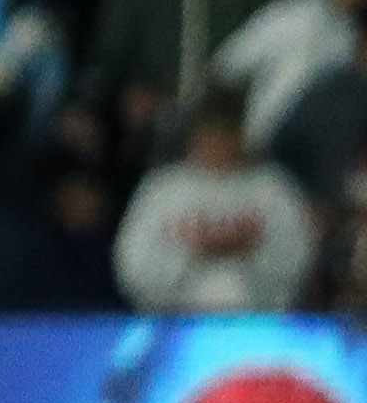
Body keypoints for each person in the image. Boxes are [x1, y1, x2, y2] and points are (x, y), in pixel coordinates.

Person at [114, 90, 317, 311]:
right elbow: (131, 267)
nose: (218, 143)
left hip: (257, 324)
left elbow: (299, 261)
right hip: (175, 323)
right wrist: (192, 254)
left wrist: (248, 253)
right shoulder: (162, 188)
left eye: (225, 133)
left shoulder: (272, 188)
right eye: (210, 133)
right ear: (193, 137)